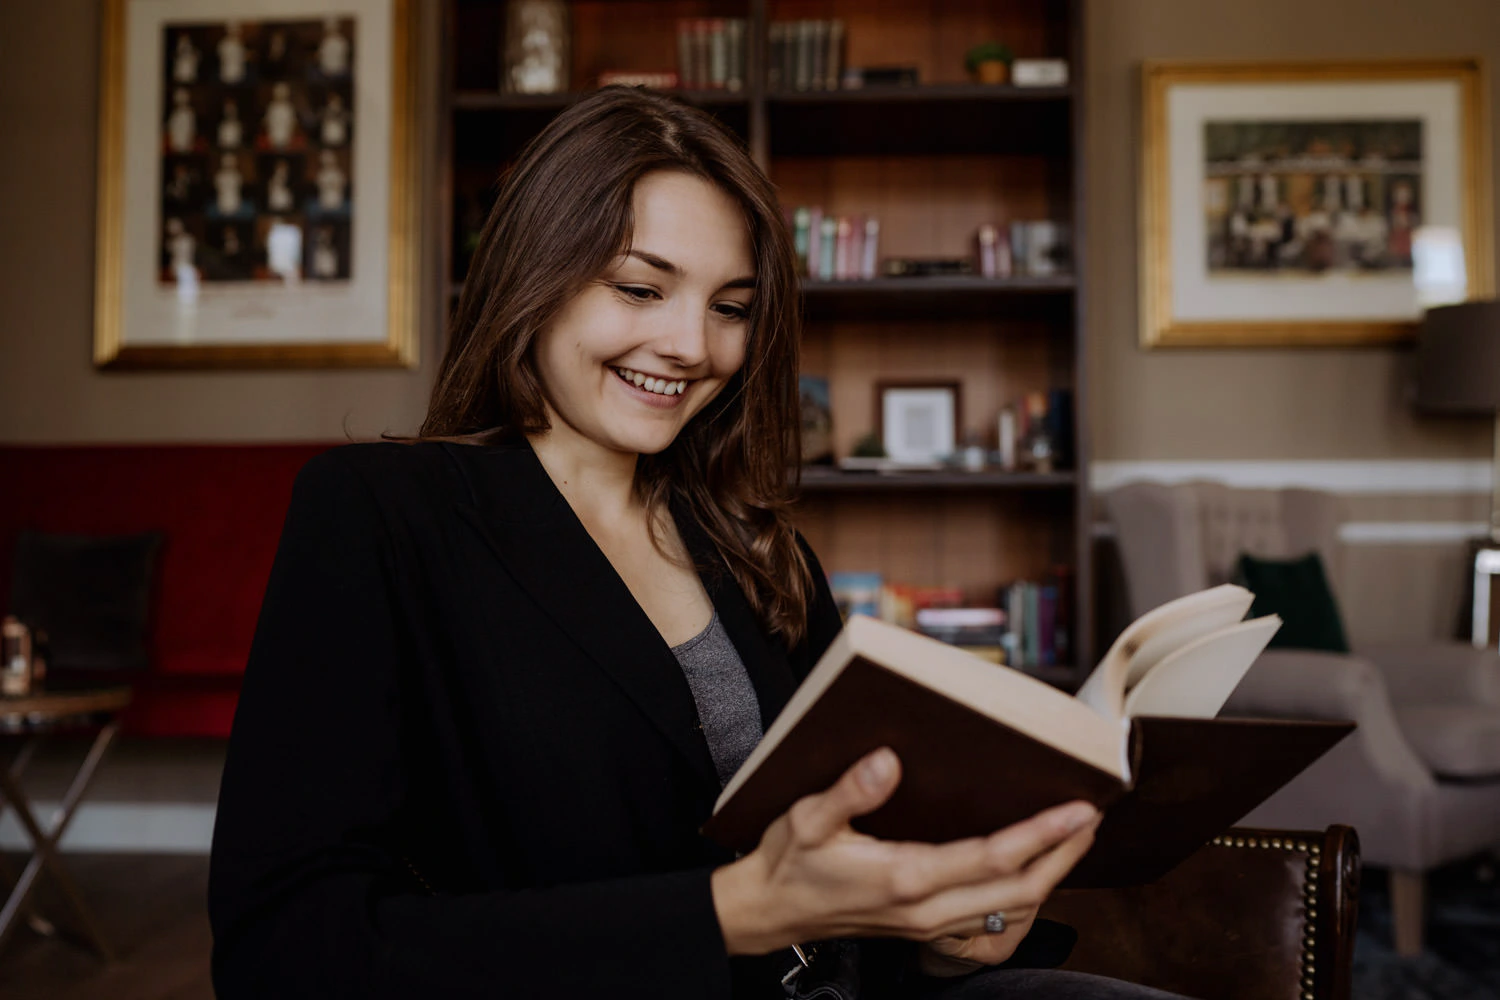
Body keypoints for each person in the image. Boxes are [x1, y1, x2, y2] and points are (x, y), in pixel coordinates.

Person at [208, 87, 1189, 1000]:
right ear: (533, 278)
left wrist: (941, 928)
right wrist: (732, 914)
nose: (692, 345)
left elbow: (838, 871)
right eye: (641, 289)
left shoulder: (758, 549)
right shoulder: (381, 514)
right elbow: (281, 949)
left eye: (730, 308)